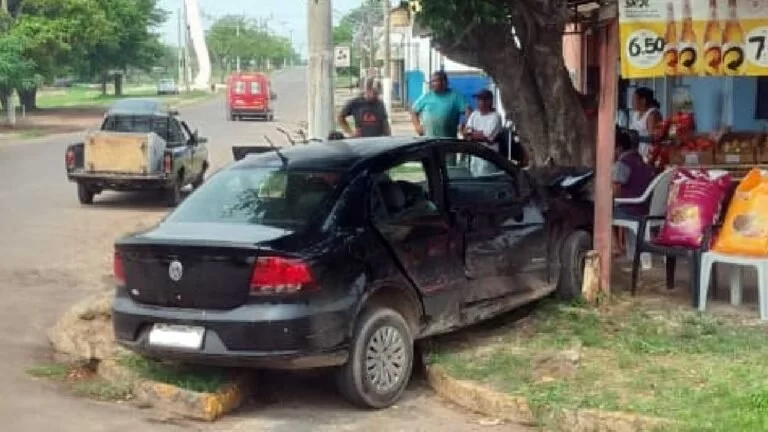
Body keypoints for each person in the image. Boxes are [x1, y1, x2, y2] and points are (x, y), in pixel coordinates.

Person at [613, 126, 655, 256]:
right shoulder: (641, 161)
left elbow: (615, 190)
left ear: (619, 148)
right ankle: (625, 250)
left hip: (630, 209)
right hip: (643, 208)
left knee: (599, 213)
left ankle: (616, 249)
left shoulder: (623, 163)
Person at [410, 71, 468, 138]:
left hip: (448, 141)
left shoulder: (456, 96)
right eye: (431, 81)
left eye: (435, 81)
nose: (431, 84)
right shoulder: (426, 96)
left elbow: (468, 111)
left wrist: (465, 125)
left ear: (444, 82)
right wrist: (417, 126)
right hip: (428, 141)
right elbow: (413, 111)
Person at [462, 89, 503, 175]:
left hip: (488, 154)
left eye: (482, 99)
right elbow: (466, 131)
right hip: (474, 153)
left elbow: (487, 137)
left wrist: (472, 134)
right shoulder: (474, 114)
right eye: (478, 99)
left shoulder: (495, 117)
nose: (479, 102)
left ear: (489, 101)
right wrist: (476, 133)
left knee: (486, 177)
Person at [630, 87, 664, 162]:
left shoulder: (652, 114)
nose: (632, 102)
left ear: (643, 100)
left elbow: (654, 138)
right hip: (637, 153)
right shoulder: (635, 114)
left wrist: (636, 138)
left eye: (634, 100)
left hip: (649, 154)